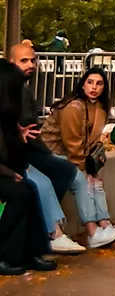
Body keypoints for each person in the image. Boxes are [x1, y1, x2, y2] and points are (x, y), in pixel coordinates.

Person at [7, 42, 85, 255]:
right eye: (24, 61)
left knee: (65, 170)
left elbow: (29, 129)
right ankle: (53, 233)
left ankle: (46, 228)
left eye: (33, 60)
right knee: (43, 180)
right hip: (12, 157)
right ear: (10, 63)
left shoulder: (24, 90)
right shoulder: (9, 90)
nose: (30, 65)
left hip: (24, 151)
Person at [40, 67, 115, 248]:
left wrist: (91, 169)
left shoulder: (100, 108)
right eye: (90, 82)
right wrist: (82, 168)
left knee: (96, 181)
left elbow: (91, 141)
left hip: (74, 154)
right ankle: (92, 231)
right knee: (82, 181)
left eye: (99, 83)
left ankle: (104, 224)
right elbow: (72, 143)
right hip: (51, 152)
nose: (94, 87)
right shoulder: (74, 106)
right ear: (83, 84)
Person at [0, 60, 59, 277]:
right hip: (3, 171)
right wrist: (9, 174)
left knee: (30, 190)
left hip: (9, 167)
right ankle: (6, 254)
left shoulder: (7, 114)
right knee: (20, 193)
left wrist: (19, 133)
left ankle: (31, 251)